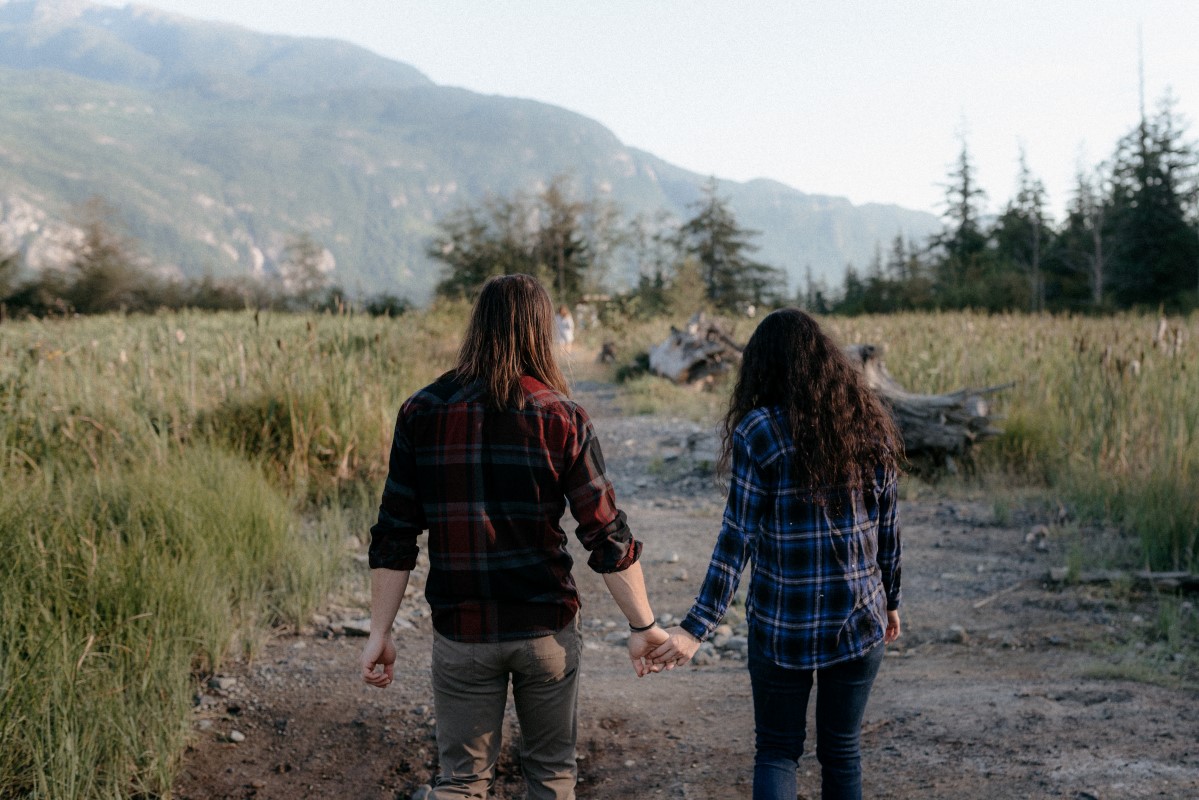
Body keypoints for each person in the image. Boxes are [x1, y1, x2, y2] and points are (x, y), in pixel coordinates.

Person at [360, 274, 667, 800]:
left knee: (459, 782)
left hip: (462, 632)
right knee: (551, 777)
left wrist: (379, 632)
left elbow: (396, 532)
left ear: (478, 326)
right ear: (540, 332)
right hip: (544, 631)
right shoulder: (563, 417)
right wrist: (644, 625)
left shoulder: (422, 411)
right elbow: (606, 534)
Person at [650, 308, 903, 800]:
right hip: (858, 619)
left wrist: (695, 628)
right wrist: (890, 600)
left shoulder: (758, 430)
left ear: (762, 367)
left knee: (777, 751)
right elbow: (888, 531)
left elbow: (736, 537)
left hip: (780, 624)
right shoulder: (869, 425)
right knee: (843, 751)